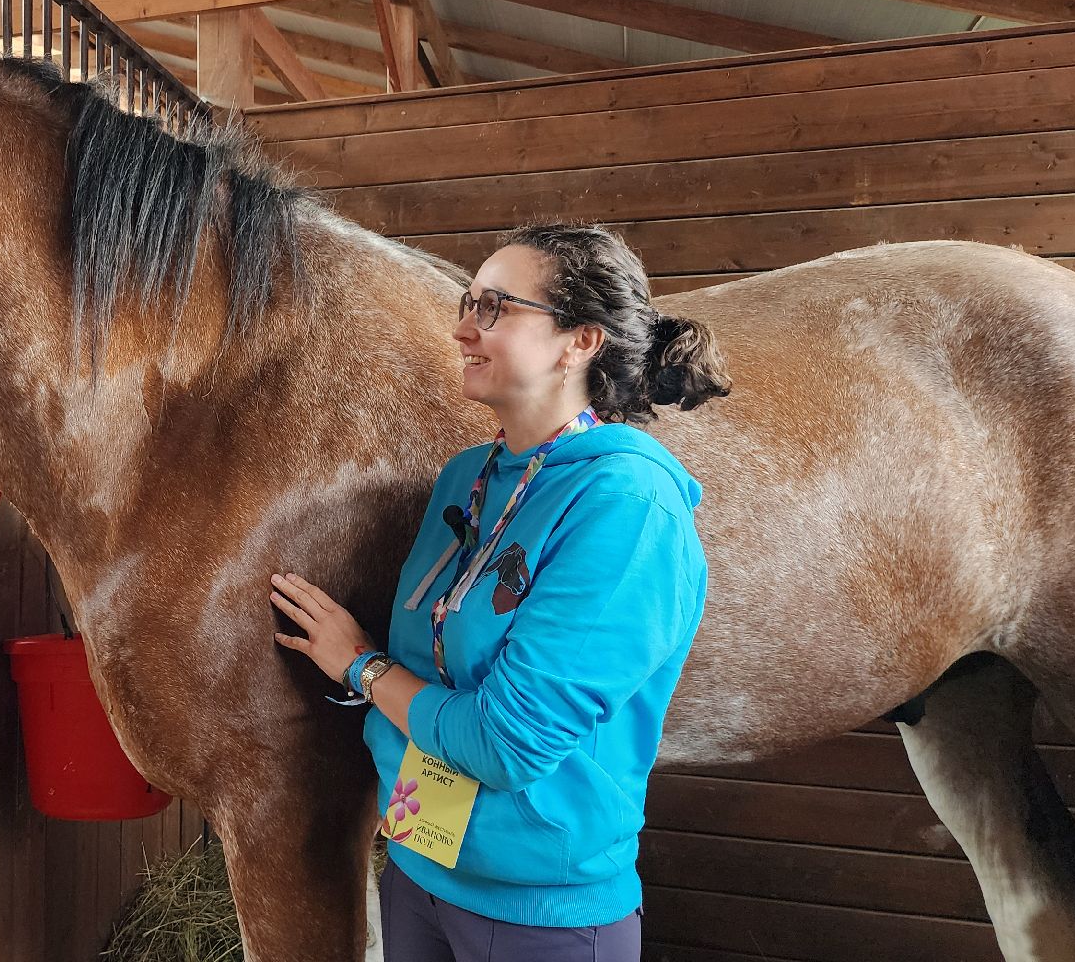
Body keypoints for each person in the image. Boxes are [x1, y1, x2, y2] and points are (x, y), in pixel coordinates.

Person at [273, 223, 732, 961]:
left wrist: (359, 664)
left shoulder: (627, 505)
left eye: (494, 308)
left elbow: (503, 744)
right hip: (419, 869)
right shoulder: (467, 477)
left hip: (539, 917)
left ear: (579, 341)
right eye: (467, 301)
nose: (461, 328)